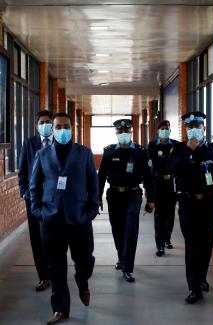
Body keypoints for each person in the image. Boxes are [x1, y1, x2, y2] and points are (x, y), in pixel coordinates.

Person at [30, 112, 99, 325]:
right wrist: (38, 211)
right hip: (51, 220)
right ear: (52, 129)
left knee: (85, 260)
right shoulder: (42, 155)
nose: (62, 130)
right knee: (55, 266)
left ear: (72, 128)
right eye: (58, 127)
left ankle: (82, 280)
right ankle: (60, 309)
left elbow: (93, 184)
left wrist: (91, 210)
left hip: (79, 218)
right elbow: (34, 186)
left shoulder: (84, 153)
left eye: (65, 126)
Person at [168, 111, 213, 304]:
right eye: (190, 127)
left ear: (204, 129)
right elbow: (172, 170)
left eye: (198, 127)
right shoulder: (179, 149)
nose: (194, 131)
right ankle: (193, 288)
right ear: (186, 130)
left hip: (208, 203)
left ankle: (201, 277)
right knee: (191, 244)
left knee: (206, 244)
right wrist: (188, 150)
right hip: (187, 203)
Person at [98, 119, 154, 283]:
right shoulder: (109, 152)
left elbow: (149, 178)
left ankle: (128, 268)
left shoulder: (140, 152)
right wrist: (97, 197)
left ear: (131, 132)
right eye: (120, 131)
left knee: (131, 230)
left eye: (126, 130)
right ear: (116, 133)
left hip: (133, 195)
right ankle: (121, 258)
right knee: (117, 229)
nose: (123, 133)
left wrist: (151, 199)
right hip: (114, 196)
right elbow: (100, 177)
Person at [18, 110, 53, 292]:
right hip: (34, 200)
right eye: (42, 122)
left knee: (54, 238)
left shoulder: (60, 143)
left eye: (48, 121)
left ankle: (55, 272)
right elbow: (22, 171)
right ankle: (44, 277)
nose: (45, 125)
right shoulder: (29, 144)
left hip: (54, 200)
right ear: (37, 125)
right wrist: (25, 193)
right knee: (37, 239)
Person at [147, 120, 178, 256]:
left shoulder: (176, 145)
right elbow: (149, 167)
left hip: (172, 184)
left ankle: (167, 238)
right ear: (158, 131)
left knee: (170, 214)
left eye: (167, 128)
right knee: (159, 215)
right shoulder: (152, 146)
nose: (165, 130)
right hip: (158, 184)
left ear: (170, 130)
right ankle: (159, 245)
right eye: (163, 128)